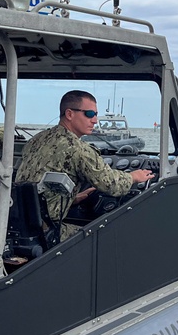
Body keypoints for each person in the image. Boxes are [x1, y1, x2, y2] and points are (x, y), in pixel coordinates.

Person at [15, 90, 154, 241]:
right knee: (108, 237)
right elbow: (110, 184)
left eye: (95, 114)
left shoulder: (37, 140)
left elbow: (38, 182)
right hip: (46, 230)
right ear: (69, 114)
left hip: (18, 224)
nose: (94, 120)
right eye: (89, 114)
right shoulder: (78, 149)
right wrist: (133, 177)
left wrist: (72, 198)